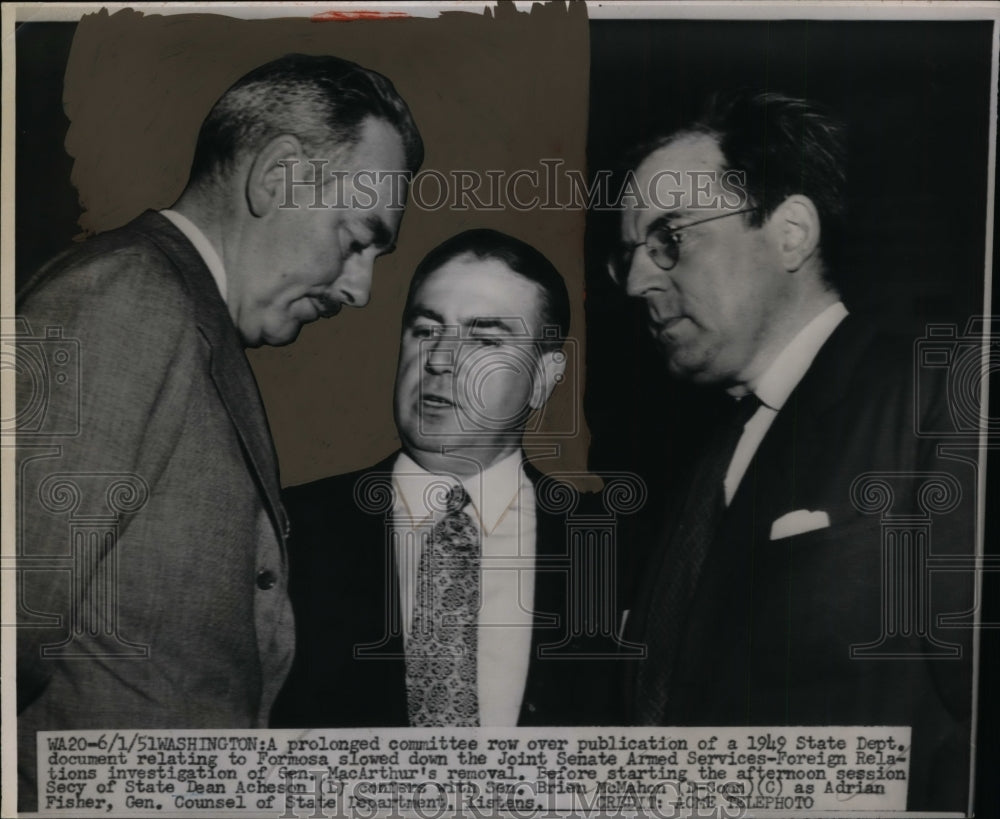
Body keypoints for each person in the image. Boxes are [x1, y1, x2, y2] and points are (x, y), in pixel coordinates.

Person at [16, 53, 422, 809]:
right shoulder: (122, 298)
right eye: (357, 238)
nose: (362, 288)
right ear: (278, 176)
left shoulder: (185, 317)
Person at [614, 90, 974, 811]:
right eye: (627, 255)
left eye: (669, 238)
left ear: (790, 234)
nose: (636, 281)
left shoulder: (939, 399)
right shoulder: (702, 464)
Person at [272, 229, 620, 728]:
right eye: (425, 330)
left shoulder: (611, 551)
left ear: (544, 376)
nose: (439, 360)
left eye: (484, 339)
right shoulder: (284, 533)